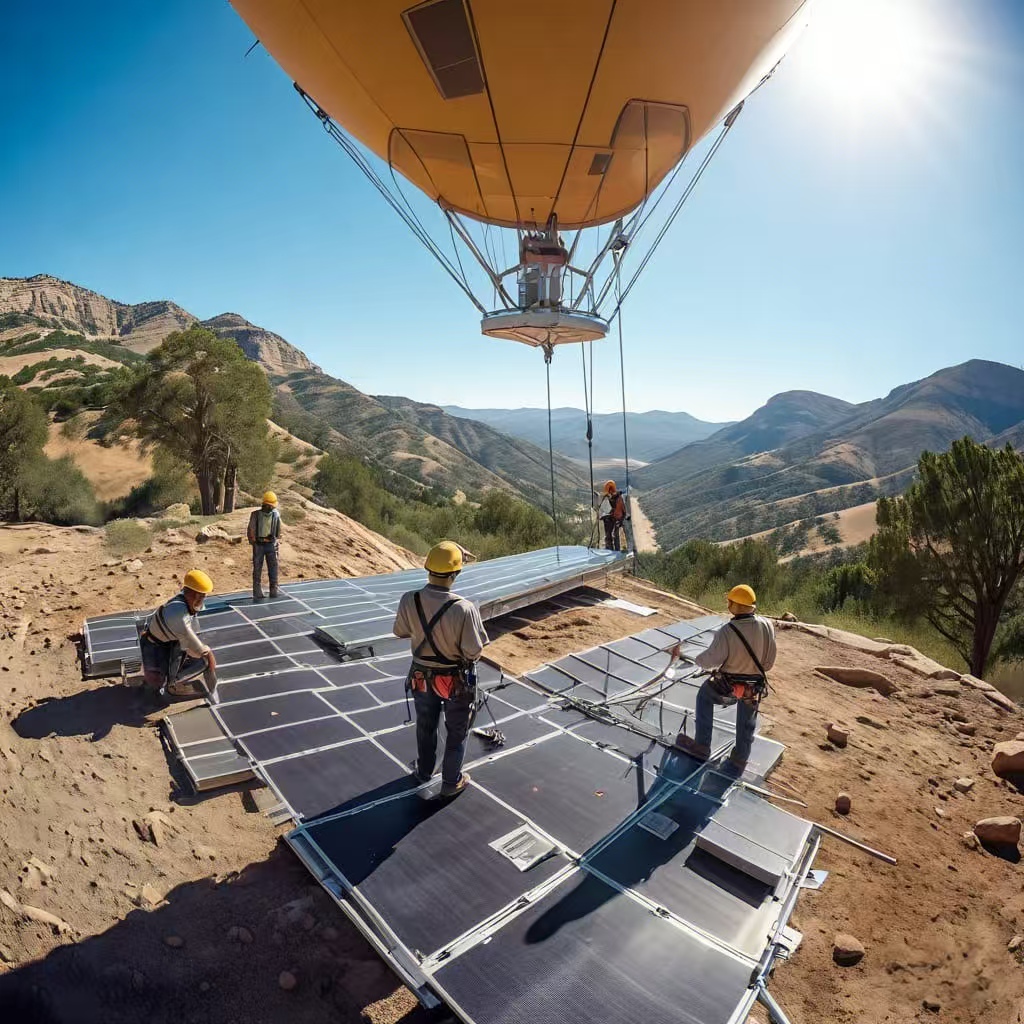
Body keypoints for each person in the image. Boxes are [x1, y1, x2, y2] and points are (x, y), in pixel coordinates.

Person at [392, 541, 489, 798]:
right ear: (455, 574)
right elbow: (474, 652)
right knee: (457, 731)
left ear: (428, 568)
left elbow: (400, 631)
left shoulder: (409, 599)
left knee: (426, 726)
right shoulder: (464, 608)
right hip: (455, 679)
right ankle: (451, 781)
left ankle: (424, 772)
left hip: (422, 676)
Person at [674, 583, 776, 773]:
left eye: (730, 601)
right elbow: (768, 664)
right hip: (753, 687)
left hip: (727, 686)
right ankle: (740, 759)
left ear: (735, 606)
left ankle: (702, 746)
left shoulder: (727, 631)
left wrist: (694, 657)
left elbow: (709, 661)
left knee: (704, 695)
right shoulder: (767, 626)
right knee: (747, 718)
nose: (728, 604)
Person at [139, 569, 218, 700]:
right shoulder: (178, 616)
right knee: (204, 661)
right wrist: (209, 660)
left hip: (161, 644)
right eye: (201, 596)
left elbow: (193, 633)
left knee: (191, 652)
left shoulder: (182, 603)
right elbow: (200, 650)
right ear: (193, 594)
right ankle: (171, 684)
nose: (203, 599)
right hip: (155, 652)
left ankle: (163, 679)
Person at [247, 491, 282, 600]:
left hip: (271, 545)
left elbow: (278, 531)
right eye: (270, 506)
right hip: (259, 545)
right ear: (266, 505)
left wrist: (275, 538)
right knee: (257, 569)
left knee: (273, 568)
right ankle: (257, 592)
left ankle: (274, 590)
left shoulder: (276, 515)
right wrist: (254, 541)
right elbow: (251, 530)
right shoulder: (255, 515)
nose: (271, 508)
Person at [596, 480, 627, 551]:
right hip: (617, 519)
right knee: (614, 536)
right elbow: (623, 510)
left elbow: (609, 510)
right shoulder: (619, 497)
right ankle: (616, 550)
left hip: (613, 519)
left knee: (611, 536)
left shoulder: (613, 498)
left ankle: (611, 550)